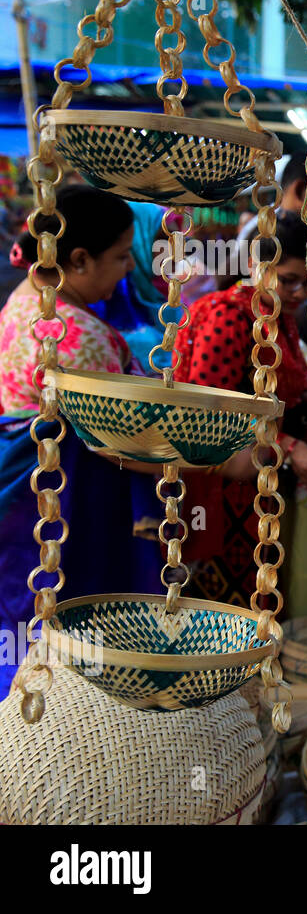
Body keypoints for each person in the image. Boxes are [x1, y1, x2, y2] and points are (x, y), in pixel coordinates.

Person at [0, 186, 164, 696]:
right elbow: (122, 440)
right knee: (79, 630)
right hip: (71, 503)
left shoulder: (22, 299)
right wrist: (207, 458)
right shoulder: (77, 332)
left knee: (27, 621)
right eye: (119, 257)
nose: (123, 271)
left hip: (24, 497)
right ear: (79, 258)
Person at [173, 212, 307, 607]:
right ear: (254, 267)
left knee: (268, 591)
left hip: (263, 482)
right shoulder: (228, 318)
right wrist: (290, 446)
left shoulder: (281, 316)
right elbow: (213, 416)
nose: (299, 293)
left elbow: (282, 390)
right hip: (227, 489)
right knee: (236, 603)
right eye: (289, 280)